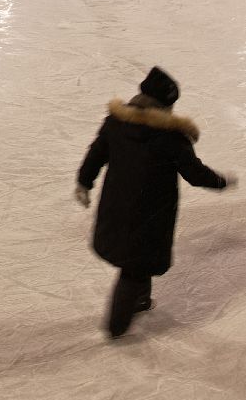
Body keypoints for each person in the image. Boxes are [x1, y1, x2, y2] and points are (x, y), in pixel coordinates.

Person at [74, 66, 235, 338]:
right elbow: (194, 173)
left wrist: (84, 182)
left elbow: (96, 153)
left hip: (117, 203)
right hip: (150, 213)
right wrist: (220, 181)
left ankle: (141, 300)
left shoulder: (117, 123)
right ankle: (117, 326)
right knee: (135, 266)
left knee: (138, 259)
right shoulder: (171, 137)